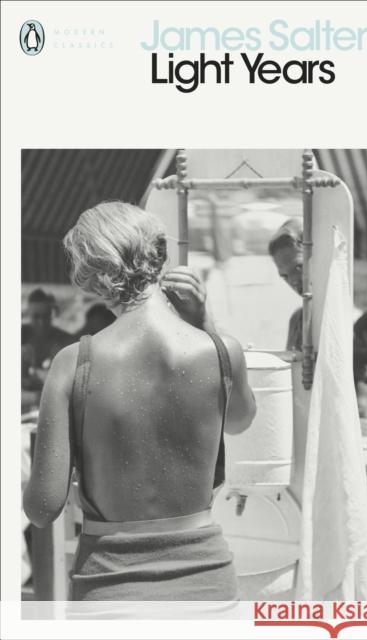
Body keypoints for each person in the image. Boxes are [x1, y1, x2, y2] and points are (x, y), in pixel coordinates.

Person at [23, 201, 256, 601]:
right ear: (161, 257)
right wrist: (206, 326)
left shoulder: (73, 363)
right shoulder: (222, 351)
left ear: (91, 274)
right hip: (209, 584)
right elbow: (239, 421)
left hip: (111, 585)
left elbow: (43, 508)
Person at [21, 288, 73, 410]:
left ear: (51, 314)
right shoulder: (20, 336)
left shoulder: (64, 340)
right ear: (28, 315)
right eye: (36, 317)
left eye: (46, 316)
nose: (41, 322)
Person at [268, 218, 303, 351]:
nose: (293, 281)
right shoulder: (298, 320)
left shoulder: (348, 313)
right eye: (285, 276)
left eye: (298, 268)